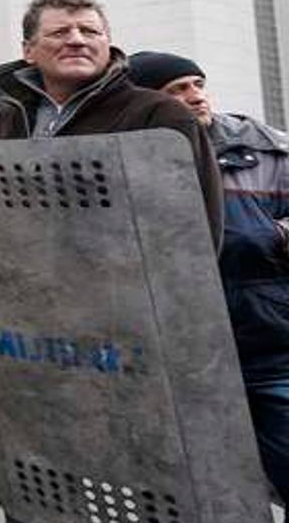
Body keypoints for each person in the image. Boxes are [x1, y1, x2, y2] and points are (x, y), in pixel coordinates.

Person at [127, 50, 289, 500]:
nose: (195, 96)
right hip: (182, 356)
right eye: (176, 90)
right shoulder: (133, 154)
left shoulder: (265, 145)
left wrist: (274, 234)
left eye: (197, 84)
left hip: (271, 342)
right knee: (208, 491)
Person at [0, 0, 222, 244]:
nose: (77, 40)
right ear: (28, 51)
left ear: (107, 43)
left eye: (90, 32)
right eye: (60, 32)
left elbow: (197, 224)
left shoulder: (160, 115)